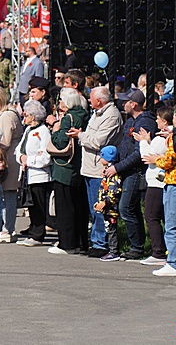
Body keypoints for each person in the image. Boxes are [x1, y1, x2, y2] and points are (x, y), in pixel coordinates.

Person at [66, 86, 122, 258]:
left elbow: (99, 141)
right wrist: (82, 134)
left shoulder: (111, 115)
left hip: (100, 169)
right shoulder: (98, 113)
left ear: (99, 101)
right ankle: (97, 240)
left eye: (91, 98)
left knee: (100, 207)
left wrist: (80, 137)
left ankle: (102, 243)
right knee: (93, 207)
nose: (89, 101)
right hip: (90, 167)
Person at [109, 89, 156, 261]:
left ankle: (137, 246)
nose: (123, 104)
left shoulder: (145, 122)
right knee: (131, 208)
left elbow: (138, 154)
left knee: (126, 208)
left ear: (134, 104)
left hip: (136, 172)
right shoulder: (130, 121)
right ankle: (136, 244)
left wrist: (118, 168)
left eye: (126, 102)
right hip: (126, 170)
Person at [148, 102, 176, 278]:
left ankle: (173, 262)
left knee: (172, 224)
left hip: (174, 181)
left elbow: (169, 160)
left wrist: (157, 159)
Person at [46, 87, 89, 255]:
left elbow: (61, 141)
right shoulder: (84, 115)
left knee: (64, 207)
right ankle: (80, 242)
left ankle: (67, 244)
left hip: (64, 167)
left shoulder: (68, 118)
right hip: (79, 166)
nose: (59, 104)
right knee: (78, 206)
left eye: (62, 100)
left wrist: (55, 130)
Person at [136, 104, 171, 267]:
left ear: (164, 121)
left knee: (151, 216)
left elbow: (146, 156)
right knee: (164, 217)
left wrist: (144, 142)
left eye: (158, 118)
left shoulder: (160, 138)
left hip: (156, 182)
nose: (156, 121)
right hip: (163, 181)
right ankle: (169, 249)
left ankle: (158, 251)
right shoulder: (165, 137)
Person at [0, 85, 22, 242]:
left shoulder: (7, 116)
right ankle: (6, 227)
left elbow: (5, 141)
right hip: (9, 157)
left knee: (8, 195)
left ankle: (8, 229)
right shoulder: (7, 114)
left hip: (9, 159)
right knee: (7, 195)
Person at [14, 100, 52, 247]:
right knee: (31, 205)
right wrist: (21, 158)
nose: (24, 117)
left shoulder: (43, 131)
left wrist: (28, 160)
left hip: (40, 175)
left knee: (39, 205)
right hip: (27, 174)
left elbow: (45, 157)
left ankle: (38, 234)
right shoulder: (28, 130)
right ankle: (33, 231)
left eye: (27, 115)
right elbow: (18, 149)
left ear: (34, 116)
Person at [93, 145, 123, 262]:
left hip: (111, 208)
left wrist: (105, 202)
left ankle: (114, 251)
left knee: (111, 229)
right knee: (108, 228)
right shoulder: (106, 172)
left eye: (102, 156)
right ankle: (111, 250)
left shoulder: (113, 174)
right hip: (106, 207)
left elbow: (114, 191)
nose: (100, 159)